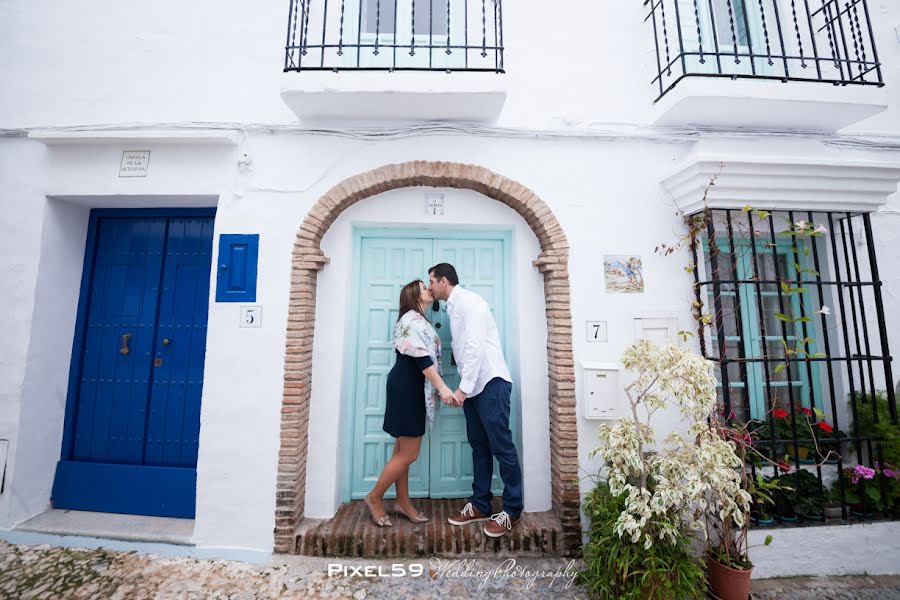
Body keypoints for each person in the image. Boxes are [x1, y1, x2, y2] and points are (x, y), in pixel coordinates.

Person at [428, 263, 523, 538]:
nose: (430, 286)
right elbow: (463, 347)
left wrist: (462, 389)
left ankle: (512, 509)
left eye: (431, 281)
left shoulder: (472, 302)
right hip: (473, 387)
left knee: (502, 447)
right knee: (479, 447)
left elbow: (475, 347)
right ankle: (480, 504)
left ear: (443, 281)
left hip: (491, 383)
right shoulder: (452, 307)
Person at [364, 280, 457, 527]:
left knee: (401, 451)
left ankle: (402, 502)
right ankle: (374, 497)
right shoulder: (410, 320)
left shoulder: (418, 320)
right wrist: (443, 387)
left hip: (410, 387)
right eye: (423, 287)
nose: (429, 288)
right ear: (413, 296)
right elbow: (422, 360)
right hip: (407, 389)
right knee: (409, 453)